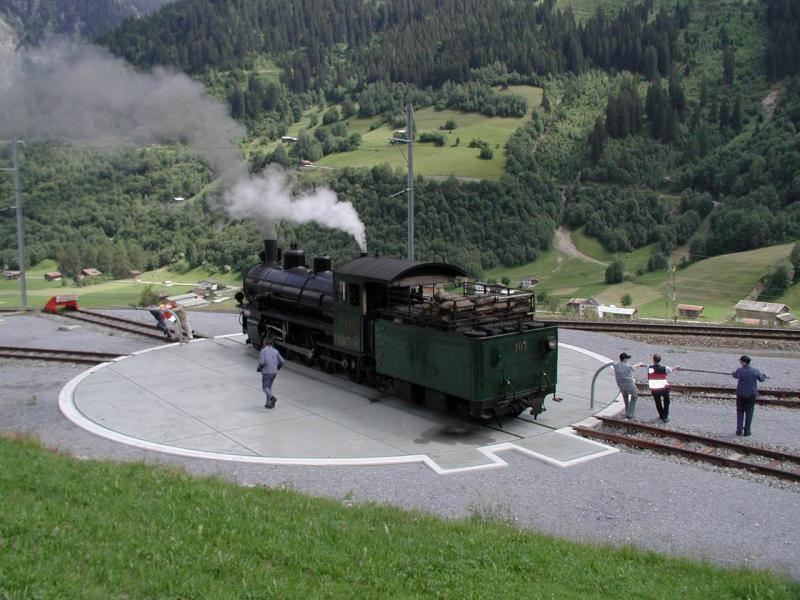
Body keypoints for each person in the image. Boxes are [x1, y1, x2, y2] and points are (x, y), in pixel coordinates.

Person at [731, 355, 767, 437]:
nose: (740, 362)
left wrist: (733, 373)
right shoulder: (755, 370)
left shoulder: (740, 370)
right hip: (751, 394)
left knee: (740, 412)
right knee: (749, 412)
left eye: (741, 361)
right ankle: (747, 431)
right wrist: (764, 375)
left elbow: (735, 375)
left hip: (741, 394)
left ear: (744, 362)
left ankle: (739, 430)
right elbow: (761, 379)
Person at [647, 353, 679, 423]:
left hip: (654, 388)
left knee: (658, 402)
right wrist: (676, 367)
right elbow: (671, 369)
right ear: (660, 360)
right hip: (663, 388)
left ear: (653, 360)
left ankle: (661, 415)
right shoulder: (665, 368)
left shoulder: (649, 367)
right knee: (667, 401)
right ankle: (665, 417)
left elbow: (651, 370)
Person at [612, 352, 644, 419]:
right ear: (624, 359)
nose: (627, 360)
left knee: (625, 397)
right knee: (634, 396)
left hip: (620, 384)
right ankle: (630, 414)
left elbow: (614, 363)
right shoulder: (627, 366)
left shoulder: (615, 365)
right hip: (629, 384)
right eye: (627, 358)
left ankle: (627, 410)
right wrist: (640, 364)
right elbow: (634, 367)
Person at [257, 337, 285, 409]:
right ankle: (268, 404)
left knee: (265, 388)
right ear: (272, 343)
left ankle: (273, 398)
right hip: (274, 372)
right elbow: (282, 361)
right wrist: (278, 366)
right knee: (269, 388)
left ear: (264, 343)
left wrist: (259, 368)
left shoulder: (263, 351)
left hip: (267, 372)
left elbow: (261, 362)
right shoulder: (276, 351)